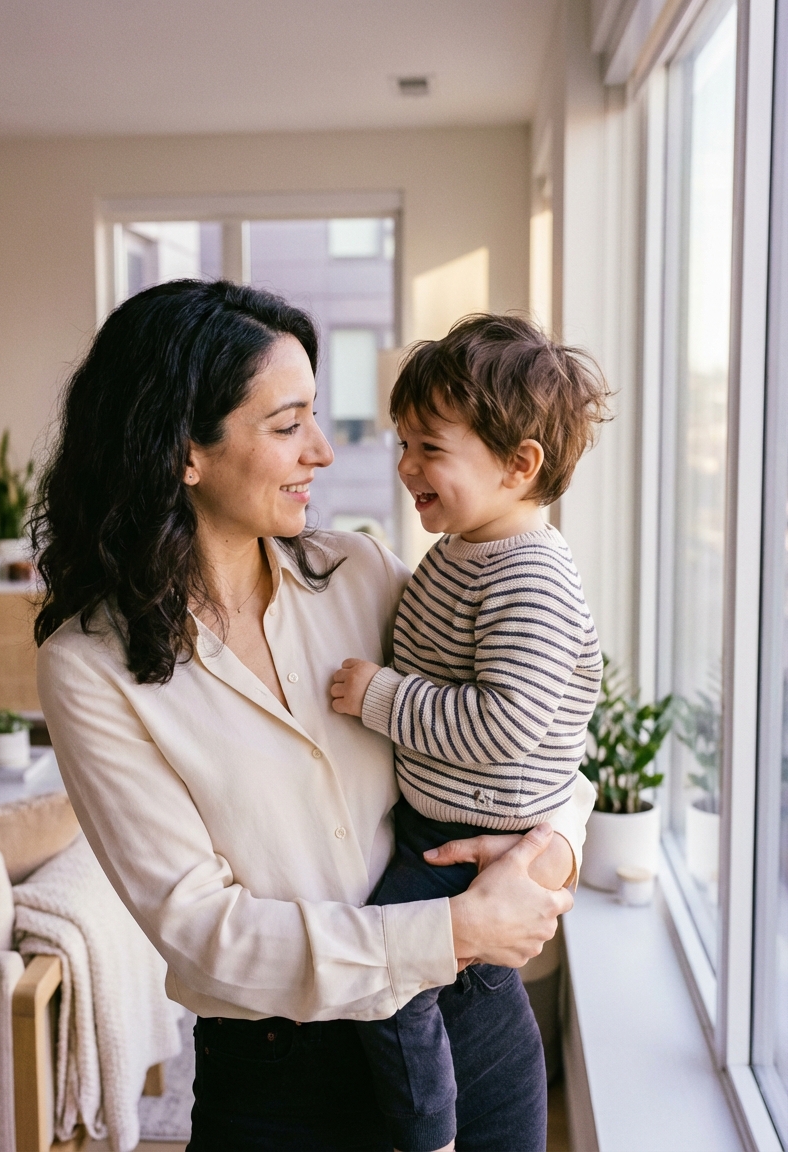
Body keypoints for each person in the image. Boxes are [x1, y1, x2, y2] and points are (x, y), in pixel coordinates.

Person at [32, 280, 590, 1151]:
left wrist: (552, 851)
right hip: (284, 1087)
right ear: (184, 451)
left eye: (316, 417)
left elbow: (536, 731)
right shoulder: (89, 667)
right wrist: (448, 929)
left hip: (474, 1025)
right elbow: (201, 931)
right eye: (289, 425)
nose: (324, 452)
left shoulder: (363, 574)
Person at [330, 314, 607, 1152]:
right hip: (444, 822)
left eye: (430, 448)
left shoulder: (529, 575)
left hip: (470, 836)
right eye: (403, 443)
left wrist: (378, 697)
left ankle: (430, 1132)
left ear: (519, 465)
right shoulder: (465, 549)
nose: (406, 465)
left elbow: (501, 724)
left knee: (387, 974)